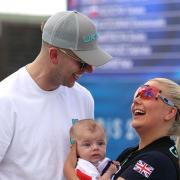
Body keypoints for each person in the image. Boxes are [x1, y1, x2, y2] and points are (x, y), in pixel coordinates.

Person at [0, 11, 112, 180]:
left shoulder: (84, 98)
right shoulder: (5, 99)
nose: (89, 69)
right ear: (54, 55)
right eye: (82, 62)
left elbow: (85, 164)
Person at [64, 77, 180, 180]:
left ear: (170, 112)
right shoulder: (130, 153)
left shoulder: (156, 159)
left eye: (147, 93)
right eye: (137, 94)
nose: (136, 100)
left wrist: (69, 169)